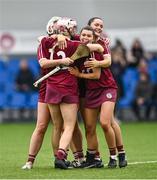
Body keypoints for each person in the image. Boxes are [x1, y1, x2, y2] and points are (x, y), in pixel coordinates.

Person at [38, 18, 104, 169]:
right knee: (69, 126)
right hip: (69, 88)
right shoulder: (75, 45)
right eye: (72, 29)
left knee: (56, 126)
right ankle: (61, 156)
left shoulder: (45, 42)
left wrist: (58, 38)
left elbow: (42, 60)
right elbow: (99, 49)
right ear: (67, 30)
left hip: (52, 87)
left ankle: (58, 157)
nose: (74, 31)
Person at [73, 17, 127, 168]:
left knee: (106, 122)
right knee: (90, 127)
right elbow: (69, 39)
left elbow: (107, 63)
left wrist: (97, 62)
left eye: (101, 25)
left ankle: (118, 154)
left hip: (106, 87)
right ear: (88, 27)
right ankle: (93, 159)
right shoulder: (80, 40)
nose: (99, 27)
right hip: (90, 90)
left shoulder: (102, 43)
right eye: (96, 24)